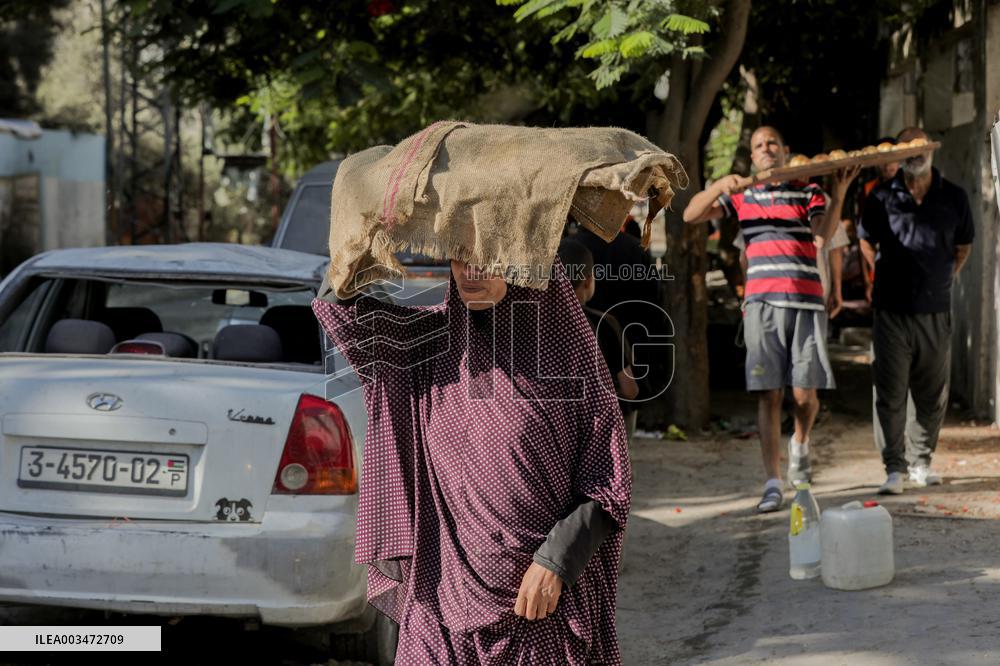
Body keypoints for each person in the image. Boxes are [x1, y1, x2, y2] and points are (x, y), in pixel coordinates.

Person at [312, 257, 631, 664]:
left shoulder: (566, 355)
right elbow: (343, 312)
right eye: (460, 257)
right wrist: (368, 225)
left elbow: (607, 481)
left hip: (536, 612)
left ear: (524, 263)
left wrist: (555, 562)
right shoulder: (430, 348)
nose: (469, 271)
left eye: (487, 258)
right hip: (441, 605)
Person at [683, 125, 858, 513]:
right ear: (752, 155)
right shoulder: (742, 195)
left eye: (772, 143)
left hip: (806, 301)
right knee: (769, 394)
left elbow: (822, 237)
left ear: (785, 150)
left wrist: (840, 193)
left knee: (804, 394)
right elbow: (691, 214)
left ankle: (800, 442)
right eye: (759, 145)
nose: (766, 149)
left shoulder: (809, 191)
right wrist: (717, 187)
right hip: (762, 305)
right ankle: (773, 481)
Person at [858, 126, 974, 495]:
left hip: (935, 311)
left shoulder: (954, 196)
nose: (915, 152)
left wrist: (943, 278)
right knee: (890, 391)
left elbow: (963, 247)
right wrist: (877, 275)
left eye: (920, 145)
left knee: (932, 392)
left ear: (932, 149)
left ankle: (922, 462)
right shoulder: (880, 197)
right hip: (891, 310)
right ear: (900, 153)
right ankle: (894, 467)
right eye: (907, 146)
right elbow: (864, 239)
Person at [558, 238, 640, 405]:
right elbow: (630, 390)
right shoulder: (605, 324)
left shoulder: (534, 321)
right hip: (595, 422)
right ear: (588, 281)